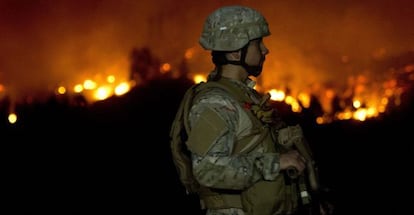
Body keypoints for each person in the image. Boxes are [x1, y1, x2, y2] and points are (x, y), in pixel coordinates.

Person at [173, 5, 332, 215]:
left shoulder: (245, 97)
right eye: (258, 43)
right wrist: (275, 163)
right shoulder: (216, 103)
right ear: (235, 51)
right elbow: (207, 170)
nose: (265, 50)